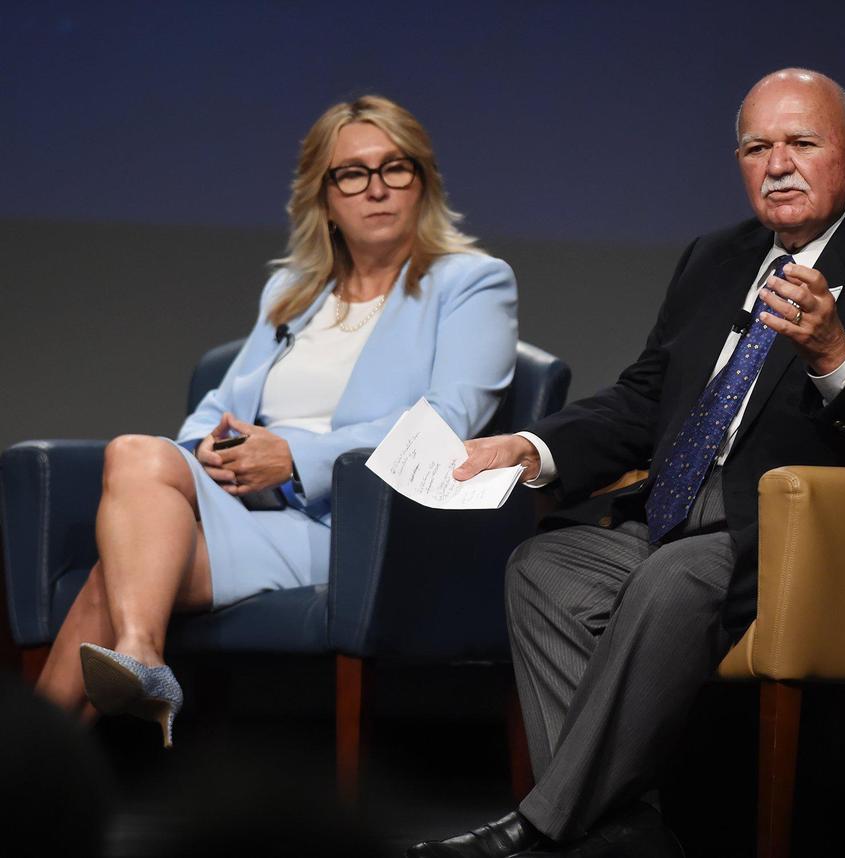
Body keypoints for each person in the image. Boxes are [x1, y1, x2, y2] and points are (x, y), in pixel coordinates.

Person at [408, 68, 845, 857]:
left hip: (804, 538)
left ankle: (541, 827)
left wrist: (835, 355)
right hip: (678, 516)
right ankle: (624, 836)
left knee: (671, 579)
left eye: (801, 143)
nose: (777, 164)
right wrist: (531, 446)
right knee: (547, 570)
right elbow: (647, 396)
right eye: (757, 146)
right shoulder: (716, 257)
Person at [34, 95, 519, 747]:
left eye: (395, 168)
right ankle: (134, 663)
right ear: (324, 197)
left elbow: (448, 421)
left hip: (356, 525)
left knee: (112, 570)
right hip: (252, 506)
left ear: (422, 183)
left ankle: (42, 757)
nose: (376, 189)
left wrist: (293, 457)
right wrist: (210, 451)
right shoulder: (294, 289)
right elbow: (223, 407)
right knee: (138, 464)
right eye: (352, 173)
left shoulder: (471, 282)